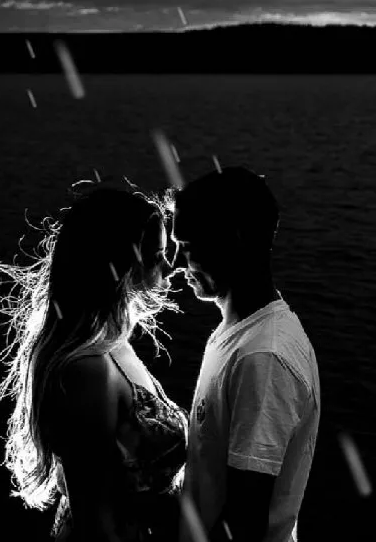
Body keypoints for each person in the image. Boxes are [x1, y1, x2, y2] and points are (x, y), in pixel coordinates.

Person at [0, 180, 188, 542]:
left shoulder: (114, 344)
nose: (170, 267)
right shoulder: (88, 371)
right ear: (119, 266)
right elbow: (94, 517)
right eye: (156, 257)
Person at [172, 166, 320, 542]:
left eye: (187, 247)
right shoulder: (238, 334)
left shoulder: (264, 358)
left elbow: (244, 520)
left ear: (234, 239)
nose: (177, 262)